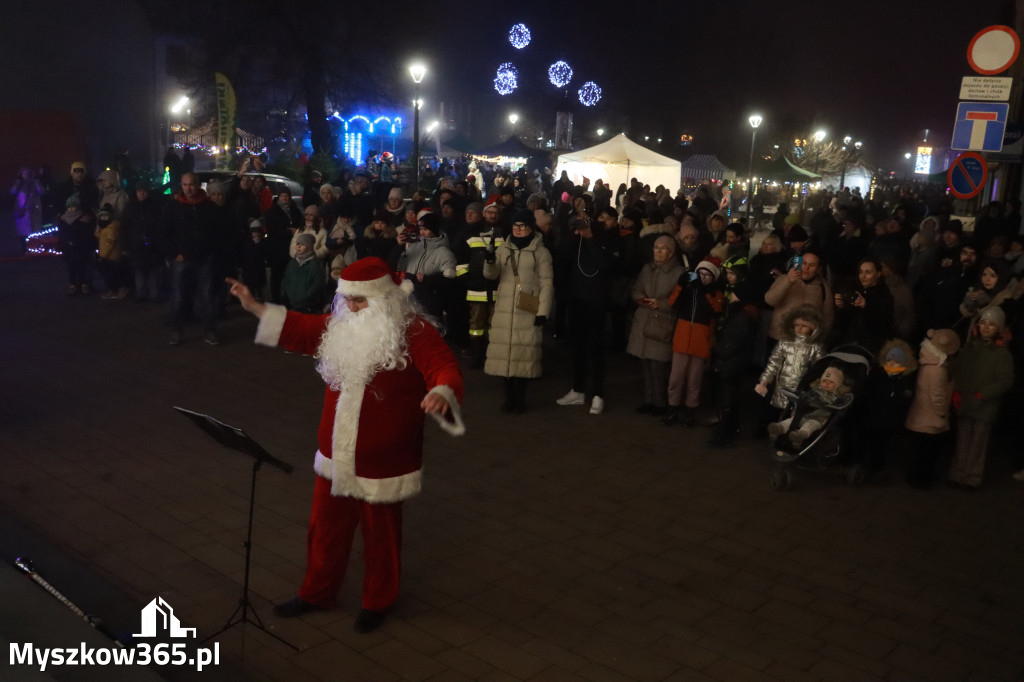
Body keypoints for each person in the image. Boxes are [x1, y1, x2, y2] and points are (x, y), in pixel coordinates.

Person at [226, 257, 465, 633]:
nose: (351, 307)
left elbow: (444, 366)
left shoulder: (414, 332)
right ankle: (317, 592)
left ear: (385, 299)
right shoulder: (340, 325)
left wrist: (441, 390)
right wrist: (255, 307)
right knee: (324, 530)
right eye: (347, 299)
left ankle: (378, 600)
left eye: (359, 300)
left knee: (381, 538)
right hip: (336, 453)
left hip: (383, 459)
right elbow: (302, 328)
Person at [482, 210, 554, 412]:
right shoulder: (504, 249)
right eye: (515, 226)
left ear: (531, 227)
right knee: (506, 353)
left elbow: (547, 283)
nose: (519, 230)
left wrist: (543, 311)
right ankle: (508, 398)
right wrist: (489, 260)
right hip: (505, 307)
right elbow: (492, 274)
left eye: (523, 226)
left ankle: (520, 399)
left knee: (523, 354)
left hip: (527, 308)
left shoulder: (541, 252)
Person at [948, 307, 1015, 489]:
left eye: (991, 324)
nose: (986, 327)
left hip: (985, 406)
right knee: (962, 440)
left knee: (978, 443)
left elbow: (1005, 380)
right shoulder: (970, 347)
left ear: (999, 329)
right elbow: (961, 370)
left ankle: (972, 477)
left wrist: (982, 394)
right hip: (966, 401)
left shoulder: (1002, 354)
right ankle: (958, 473)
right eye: (983, 323)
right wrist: (957, 392)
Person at [627, 235, 684, 417]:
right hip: (644, 319)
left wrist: (661, 303)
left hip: (662, 323)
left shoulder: (679, 273)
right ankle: (649, 400)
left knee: (658, 366)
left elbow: (680, 300)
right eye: (656, 247)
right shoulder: (647, 269)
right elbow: (636, 289)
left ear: (671, 252)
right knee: (646, 364)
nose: (658, 251)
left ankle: (662, 403)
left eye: (663, 248)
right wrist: (640, 298)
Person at [662, 261, 724, 427]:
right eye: (700, 274)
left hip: (700, 341)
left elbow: (716, 309)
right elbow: (672, 303)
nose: (703, 278)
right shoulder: (689, 290)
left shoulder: (715, 292)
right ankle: (673, 407)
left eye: (707, 275)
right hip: (682, 339)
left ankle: (690, 410)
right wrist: (682, 286)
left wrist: (705, 292)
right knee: (676, 378)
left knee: (694, 380)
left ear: (713, 277)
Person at [161, 172, 219, 346]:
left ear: (198, 185)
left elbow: (217, 232)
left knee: (207, 296)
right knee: (177, 296)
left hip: (204, 258)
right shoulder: (173, 206)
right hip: (182, 259)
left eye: (191, 185)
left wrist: (211, 252)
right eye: (185, 185)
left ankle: (210, 330)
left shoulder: (208, 207)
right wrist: (174, 253)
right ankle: (175, 330)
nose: (188, 188)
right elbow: (163, 233)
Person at [904, 328, 960, 489]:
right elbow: (938, 396)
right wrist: (942, 413)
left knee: (919, 451)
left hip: (920, 414)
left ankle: (915, 477)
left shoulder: (926, 362)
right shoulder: (938, 369)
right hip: (931, 419)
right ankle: (922, 480)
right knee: (928, 452)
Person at [755, 306, 826, 430]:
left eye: (804, 326)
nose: (799, 328)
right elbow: (773, 363)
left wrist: (816, 388)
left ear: (813, 328)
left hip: (802, 387)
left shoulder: (815, 347)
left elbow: (818, 369)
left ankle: (788, 437)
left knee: (795, 416)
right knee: (779, 414)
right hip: (782, 385)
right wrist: (764, 381)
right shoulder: (784, 343)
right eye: (796, 325)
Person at [767, 365, 853, 446]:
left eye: (831, 382)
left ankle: (800, 436)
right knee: (792, 420)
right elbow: (805, 396)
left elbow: (840, 406)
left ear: (838, 384)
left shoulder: (837, 396)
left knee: (809, 425)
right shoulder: (815, 390)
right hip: (806, 413)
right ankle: (779, 428)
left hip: (820, 418)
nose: (827, 384)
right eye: (824, 381)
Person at [281, 232, 325, 312]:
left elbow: (318, 283)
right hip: (292, 303)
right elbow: (286, 279)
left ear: (309, 247)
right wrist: (287, 293)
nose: (299, 246)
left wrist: (307, 295)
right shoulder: (292, 263)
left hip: (308, 306)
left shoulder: (314, 264)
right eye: (298, 243)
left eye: (303, 244)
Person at [10, 167, 44, 254]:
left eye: (28, 173)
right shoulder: (19, 184)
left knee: (35, 232)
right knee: (23, 233)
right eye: (24, 174)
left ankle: (35, 250)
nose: (26, 176)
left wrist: (36, 180)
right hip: (23, 213)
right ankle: (25, 250)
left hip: (34, 212)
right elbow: (13, 191)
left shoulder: (35, 183)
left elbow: (42, 191)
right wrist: (18, 180)